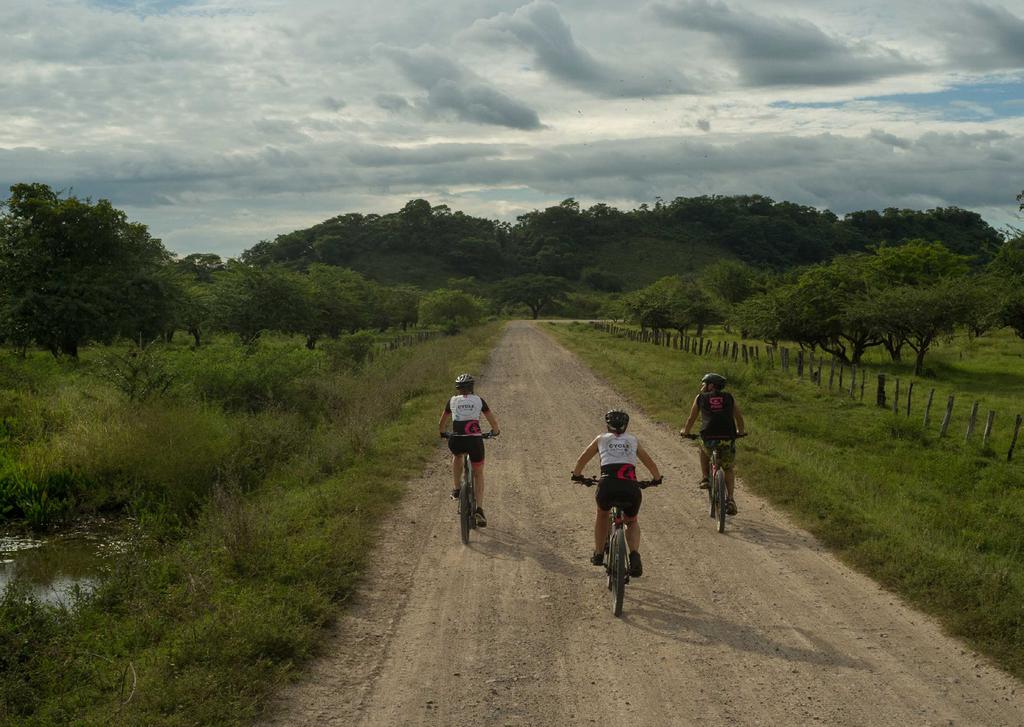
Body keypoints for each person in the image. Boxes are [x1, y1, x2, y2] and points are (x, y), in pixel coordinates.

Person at [571, 410, 662, 578]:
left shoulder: (601, 439)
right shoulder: (633, 440)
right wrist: (656, 479)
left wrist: (577, 475)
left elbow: (582, 459)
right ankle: (634, 554)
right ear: (626, 426)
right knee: (632, 521)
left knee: (602, 514)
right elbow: (649, 462)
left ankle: (598, 554)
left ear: (608, 425)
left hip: (607, 486)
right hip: (630, 488)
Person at [680, 372, 746, 515]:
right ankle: (730, 499)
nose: (701, 386)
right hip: (728, 437)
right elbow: (739, 418)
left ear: (710, 385)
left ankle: (705, 478)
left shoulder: (700, 398)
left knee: (702, 448)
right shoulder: (729, 397)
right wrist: (740, 432)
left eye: (704, 383)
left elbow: (691, 418)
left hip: (709, 437)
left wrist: (685, 432)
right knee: (728, 468)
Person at [439, 373, 500, 527]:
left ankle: (457, 489)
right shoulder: (479, 400)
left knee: (457, 456)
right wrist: (495, 431)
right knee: (478, 473)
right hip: (474, 441)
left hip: (457, 440)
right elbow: (493, 422)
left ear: (458, 389)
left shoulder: (451, 401)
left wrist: (442, 433)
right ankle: (479, 509)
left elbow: (442, 424)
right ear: (472, 388)